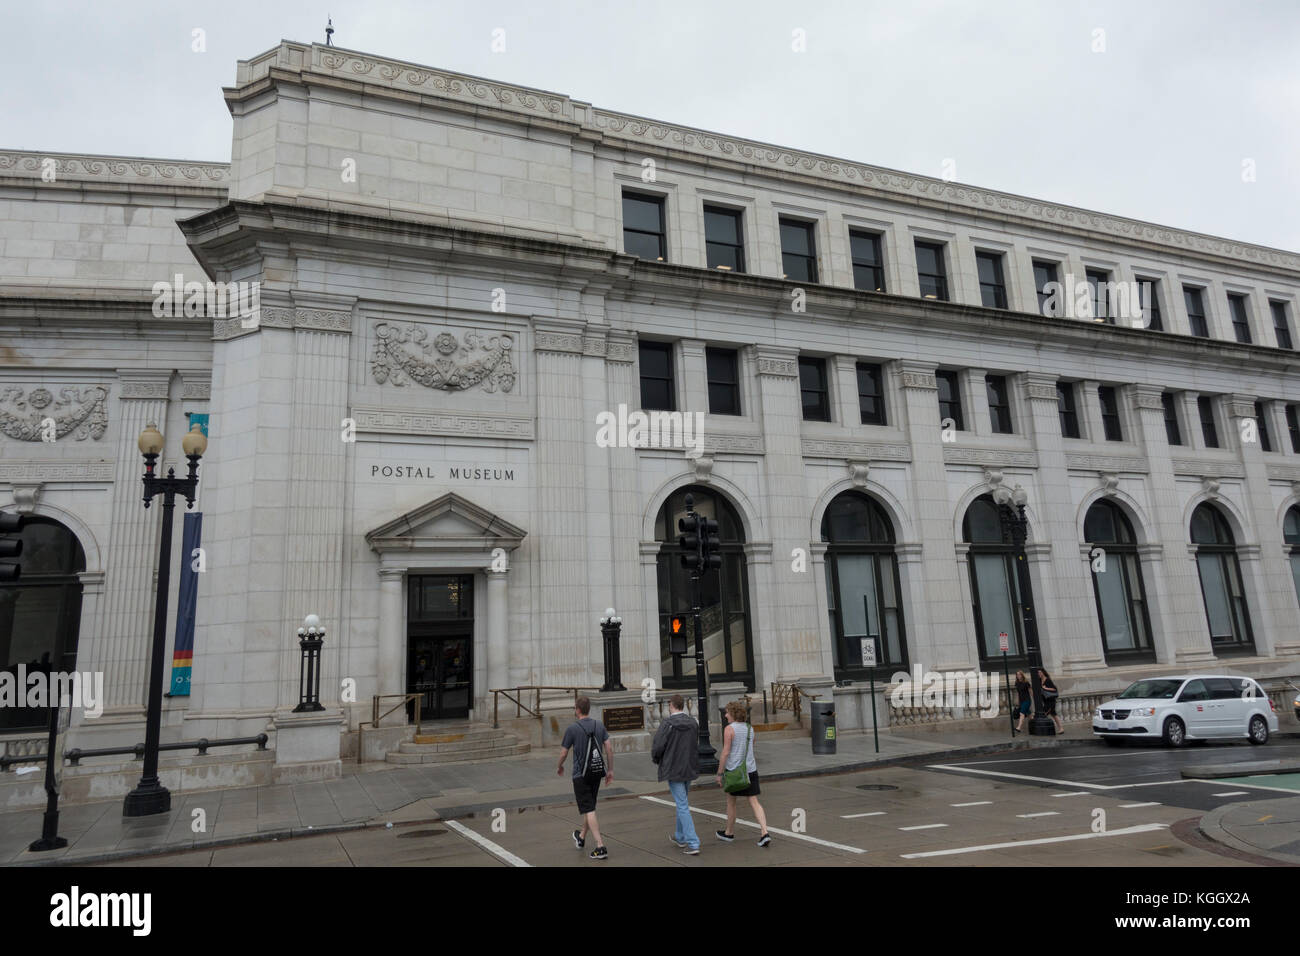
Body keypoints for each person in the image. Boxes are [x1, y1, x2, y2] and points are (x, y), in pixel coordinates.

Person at [556, 696, 614, 860]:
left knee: (589, 809)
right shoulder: (599, 725)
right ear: (588, 708)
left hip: (580, 775)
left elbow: (563, 752)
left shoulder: (572, 729)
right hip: (596, 772)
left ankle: (600, 846)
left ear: (578, 709)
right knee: (590, 807)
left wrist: (559, 765)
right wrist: (610, 770)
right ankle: (581, 837)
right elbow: (609, 749)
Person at [714, 700, 770, 847]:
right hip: (750, 770)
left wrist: (719, 773)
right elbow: (751, 746)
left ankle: (729, 832)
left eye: (727, 712)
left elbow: (725, 753)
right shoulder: (749, 728)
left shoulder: (729, 729)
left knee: (731, 802)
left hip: (734, 772)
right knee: (754, 801)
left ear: (732, 714)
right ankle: (764, 832)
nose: (725, 715)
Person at [651, 693, 701, 855]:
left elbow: (658, 746)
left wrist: (657, 759)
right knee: (683, 802)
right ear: (683, 706)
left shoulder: (667, 723)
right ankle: (680, 836)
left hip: (673, 767)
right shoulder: (693, 723)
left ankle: (693, 842)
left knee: (682, 805)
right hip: (688, 766)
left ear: (671, 706)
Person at [1038, 668, 1064, 734]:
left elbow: (1054, 689)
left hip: (1051, 701)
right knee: (1054, 715)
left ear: (1043, 672)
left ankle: (1044, 730)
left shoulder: (1047, 680)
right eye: (1038, 673)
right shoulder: (1039, 680)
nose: (1039, 674)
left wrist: (1045, 688)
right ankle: (1061, 728)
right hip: (1046, 701)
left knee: (1043, 714)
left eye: (1040, 672)